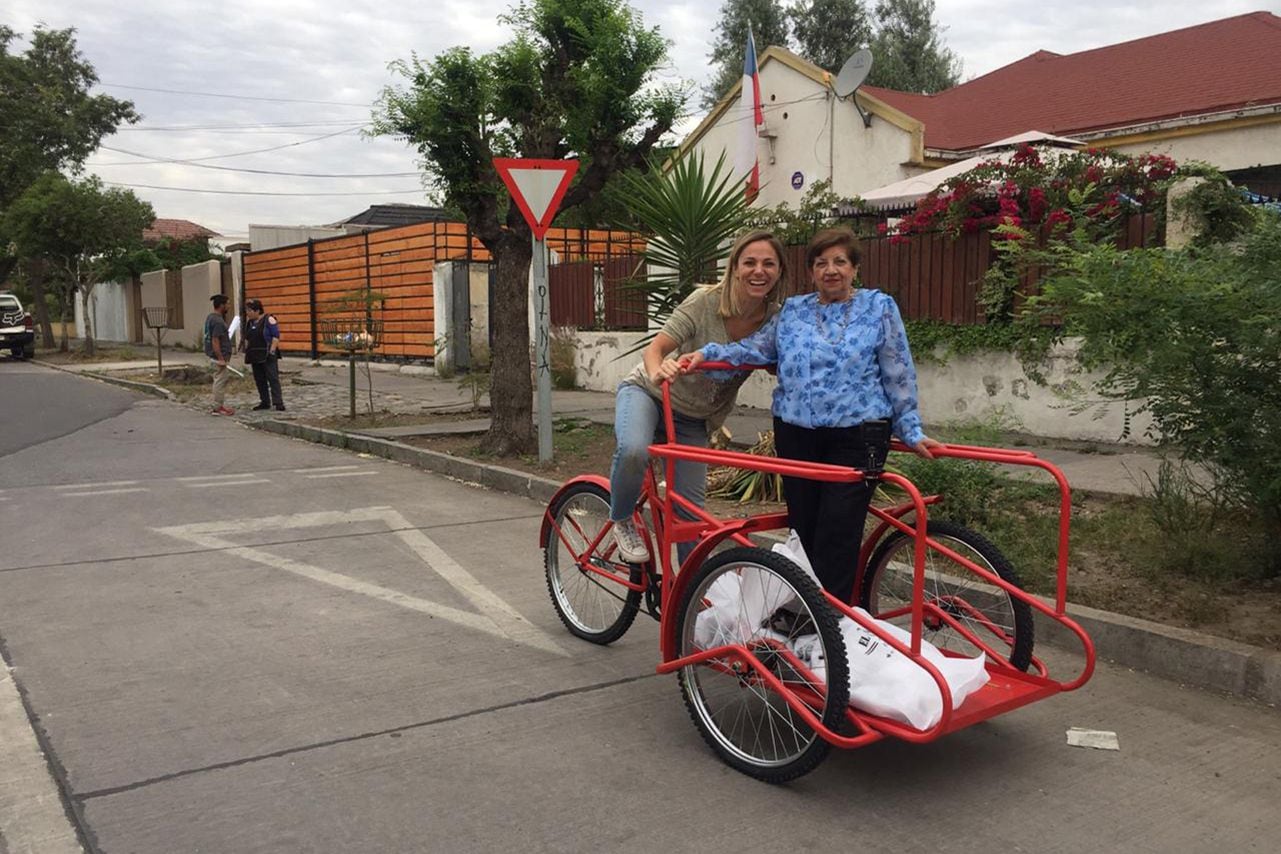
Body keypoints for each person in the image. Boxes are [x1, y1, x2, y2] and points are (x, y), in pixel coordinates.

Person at [683, 227, 942, 605]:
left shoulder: (879, 307)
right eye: (821, 263)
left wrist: (912, 429)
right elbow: (755, 348)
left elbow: (898, 370)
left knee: (838, 529)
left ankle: (831, 623)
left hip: (858, 435)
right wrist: (708, 355)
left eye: (840, 262)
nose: (831, 270)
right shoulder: (794, 311)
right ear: (811, 271)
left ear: (854, 268)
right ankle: (805, 614)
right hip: (796, 433)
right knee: (804, 528)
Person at [609, 229, 788, 565]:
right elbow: (656, 349)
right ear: (734, 267)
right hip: (649, 394)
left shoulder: (776, 319)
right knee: (633, 450)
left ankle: (693, 598)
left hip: (694, 419)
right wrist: (658, 370)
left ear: (779, 271)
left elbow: (779, 361)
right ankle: (621, 519)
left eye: (768, 263)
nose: (758, 271)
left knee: (690, 517)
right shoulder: (705, 301)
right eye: (749, 262)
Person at [242, 299, 285, 412]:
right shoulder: (249, 323)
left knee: (273, 378)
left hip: (267, 354)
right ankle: (265, 401)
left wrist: (272, 350)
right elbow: (247, 338)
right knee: (259, 379)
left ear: (257, 310)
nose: (248, 313)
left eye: (250, 310)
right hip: (255, 355)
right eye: (247, 310)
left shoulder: (269, 320)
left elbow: (275, 336)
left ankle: (278, 402)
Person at [204, 294, 235, 416]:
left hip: (215, 355)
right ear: (221, 305)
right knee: (220, 381)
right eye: (227, 303)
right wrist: (221, 358)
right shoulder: (217, 321)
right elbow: (215, 340)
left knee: (221, 380)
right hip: (218, 357)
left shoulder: (210, 317)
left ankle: (219, 405)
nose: (228, 306)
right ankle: (217, 407)